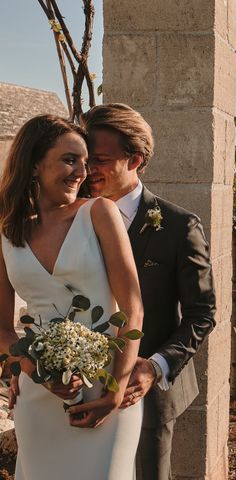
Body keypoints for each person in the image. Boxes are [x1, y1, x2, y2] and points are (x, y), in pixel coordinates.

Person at [0, 114, 144, 479]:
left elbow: (132, 309)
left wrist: (115, 393)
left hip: (107, 388)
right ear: (34, 163)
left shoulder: (99, 213)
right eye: (69, 159)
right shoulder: (4, 232)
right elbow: (2, 330)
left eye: (85, 161)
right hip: (39, 400)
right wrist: (34, 370)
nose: (82, 172)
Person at [81, 103, 216, 480]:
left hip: (144, 392)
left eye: (101, 159)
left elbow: (202, 313)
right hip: (76, 387)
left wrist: (154, 368)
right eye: (83, 157)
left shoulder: (178, 226)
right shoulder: (70, 217)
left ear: (135, 159)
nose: (88, 169)